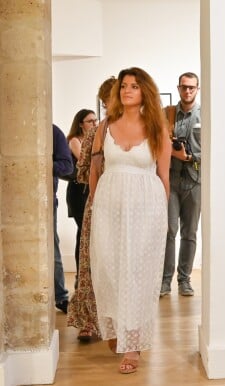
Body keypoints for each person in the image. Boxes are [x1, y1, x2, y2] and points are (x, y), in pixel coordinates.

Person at [89, 67, 171, 374]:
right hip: (109, 208)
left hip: (145, 211)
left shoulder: (157, 129)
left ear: (144, 92)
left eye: (134, 86)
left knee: (137, 273)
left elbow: (164, 176)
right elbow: (95, 169)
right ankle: (116, 328)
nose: (127, 90)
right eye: (124, 86)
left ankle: (133, 343)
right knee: (110, 268)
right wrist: (96, 206)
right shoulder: (105, 126)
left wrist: (163, 216)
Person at [67, 76, 116, 342]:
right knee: (92, 263)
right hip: (99, 202)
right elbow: (84, 170)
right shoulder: (98, 132)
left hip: (124, 203)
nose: (109, 106)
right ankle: (91, 320)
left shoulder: (135, 127)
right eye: (106, 102)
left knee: (113, 263)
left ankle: (114, 321)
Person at [161, 72, 201, 297]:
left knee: (190, 233)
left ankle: (184, 280)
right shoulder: (166, 114)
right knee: (168, 231)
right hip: (170, 179)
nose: (187, 91)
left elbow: (212, 148)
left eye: (192, 88)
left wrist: (188, 157)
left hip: (196, 179)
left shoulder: (205, 114)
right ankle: (165, 281)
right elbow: (156, 143)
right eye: (184, 87)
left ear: (197, 89)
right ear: (178, 88)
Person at [66, 109, 98, 288]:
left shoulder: (95, 140)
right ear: (80, 123)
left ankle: (87, 275)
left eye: (95, 121)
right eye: (90, 121)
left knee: (86, 233)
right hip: (79, 192)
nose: (94, 124)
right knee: (84, 232)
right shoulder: (75, 141)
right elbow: (87, 161)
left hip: (91, 189)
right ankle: (81, 275)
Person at [52, 124, 74, 314]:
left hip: (45, 201)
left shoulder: (53, 132)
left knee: (52, 249)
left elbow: (67, 166)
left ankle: (60, 297)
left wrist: (42, 163)